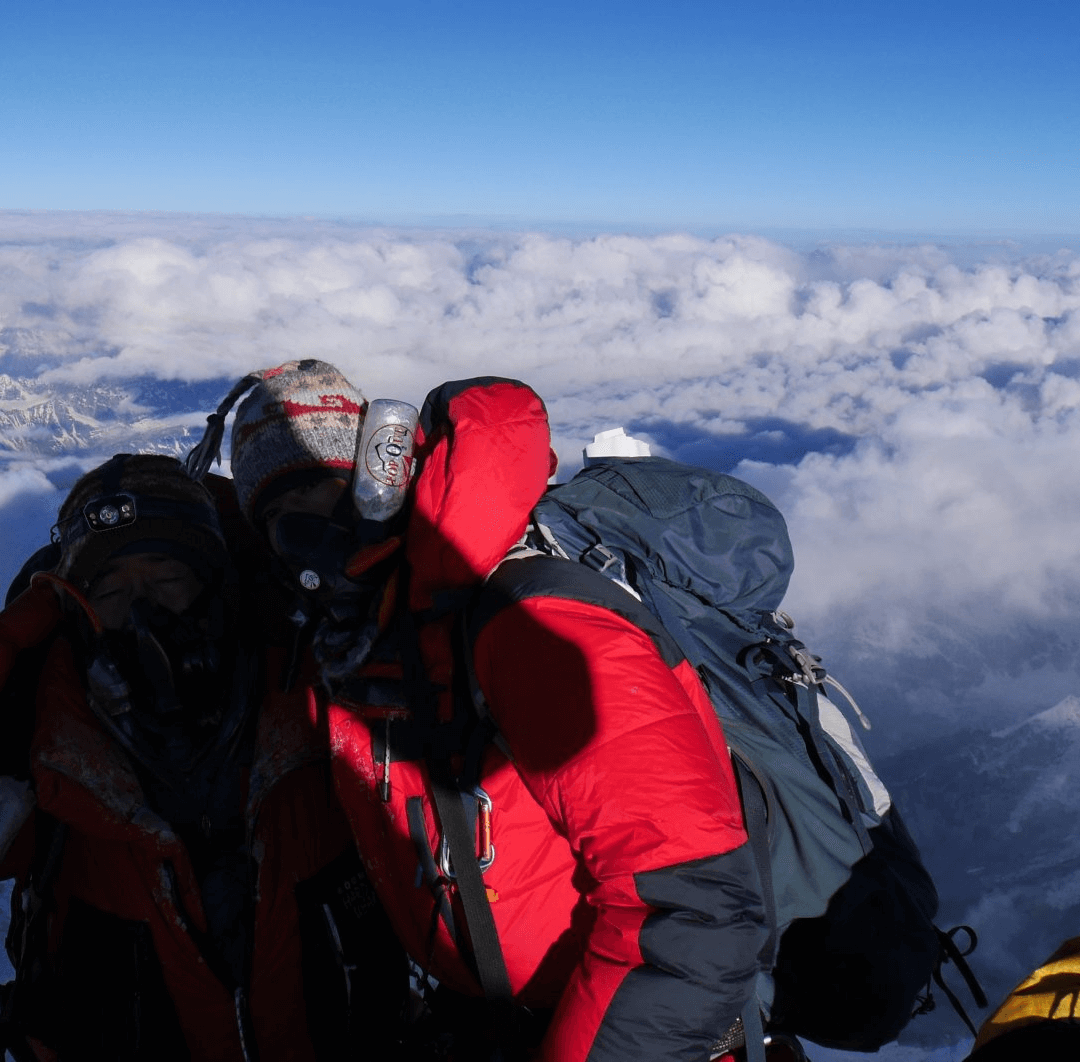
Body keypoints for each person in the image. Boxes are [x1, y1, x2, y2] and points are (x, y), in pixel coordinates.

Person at [219, 360, 768, 1062]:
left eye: (325, 495)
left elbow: (694, 913)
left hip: (640, 1035)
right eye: (278, 519)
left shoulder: (533, 628)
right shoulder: (349, 650)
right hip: (498, 1020)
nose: (307, 541)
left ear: (381, 482)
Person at [0, 453, 408, 1062]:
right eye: (112, 590)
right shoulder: (39, 754)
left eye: (167, 578)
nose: (142, 610)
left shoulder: (321, 698)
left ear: (217, 584)